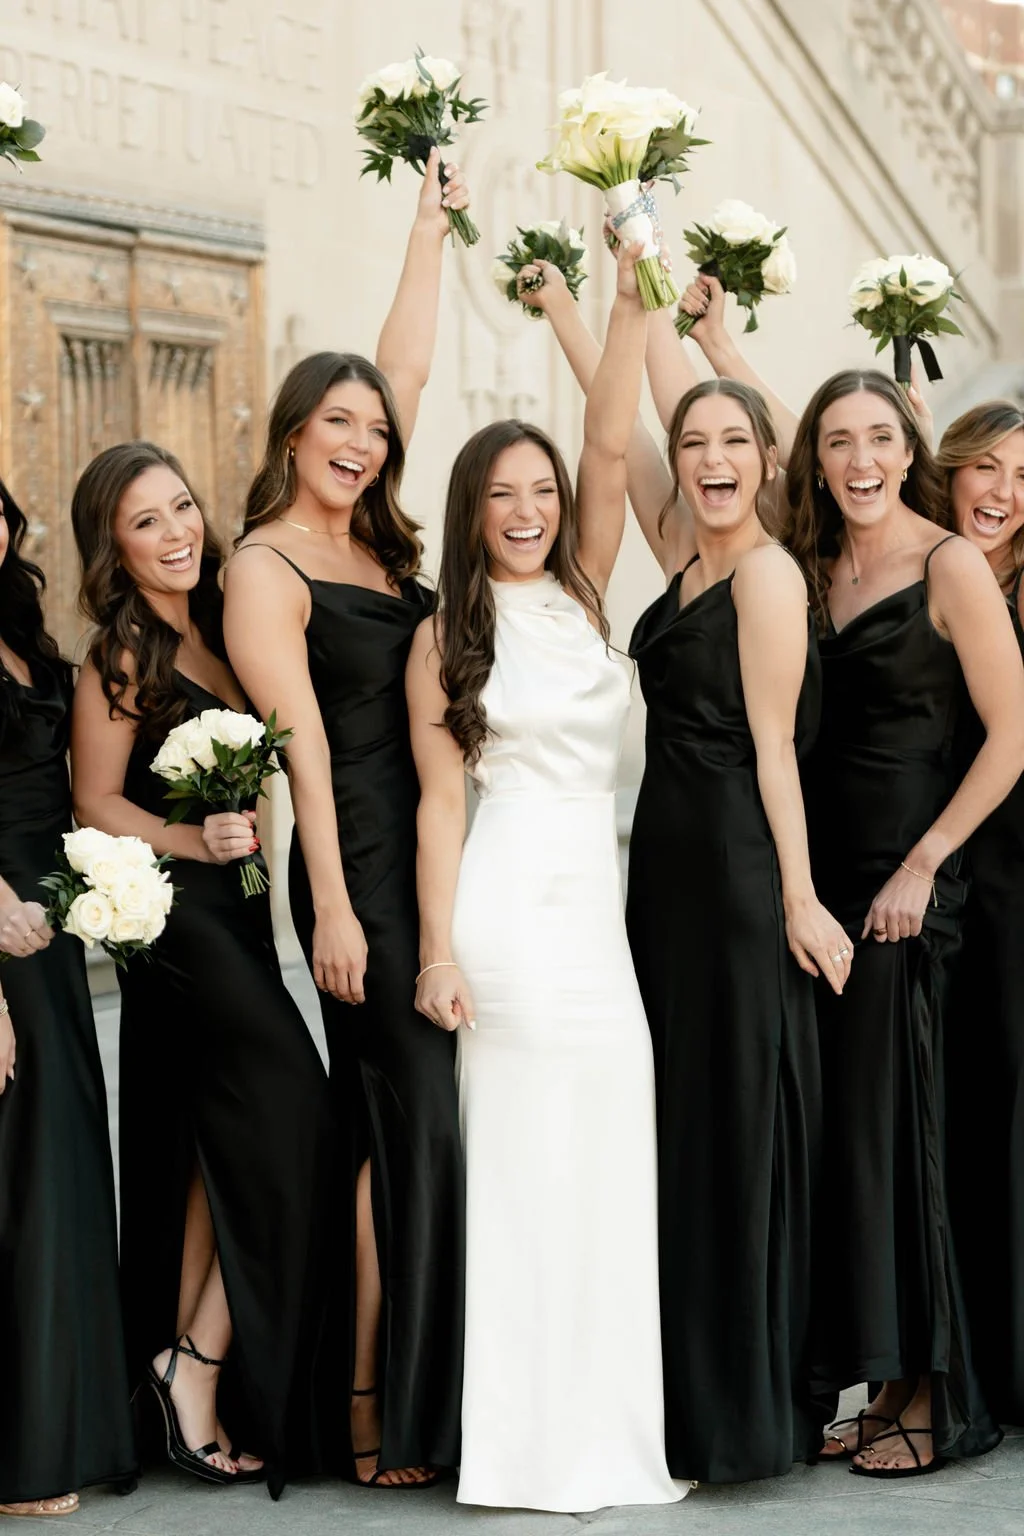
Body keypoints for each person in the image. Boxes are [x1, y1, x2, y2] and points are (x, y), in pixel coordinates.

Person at [523, 258, 842, 1483]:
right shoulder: (682, 545)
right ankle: (686, 1395)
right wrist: (582, 298)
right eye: (694, 440)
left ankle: (746, 1411)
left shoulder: (763, 573)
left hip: (736, 874)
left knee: (732, 1126)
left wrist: (799, 899)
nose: (708, 456)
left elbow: (774, 753)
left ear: (767, 462)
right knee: (682, 1125)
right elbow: (615, 431)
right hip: (661, 872)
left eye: (730, 441)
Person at [405, 241, 684, 1512]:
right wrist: (439, 951)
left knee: (609, 1156)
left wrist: (622, 305)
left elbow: (614, 439)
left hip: (597, 922)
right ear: (467, 508)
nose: (525, 509)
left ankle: (609, 1434)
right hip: (506, 916)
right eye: (499, 494)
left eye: (540, 490)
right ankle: (515, 1445)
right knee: (519, 1175)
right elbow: (443, 802)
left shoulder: (583, 588)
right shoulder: (442, 636)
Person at [223, 150, 471, 1488]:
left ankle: (418, 1388)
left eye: (373, 427)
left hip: (437, 851)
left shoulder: (381, 541)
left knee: (420, 1124)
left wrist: (427, 225)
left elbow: (410, 369)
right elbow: (301, 746)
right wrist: (327, 904)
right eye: (340, 422)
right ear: (291, 432)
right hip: (359, 864)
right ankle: (377, 1402)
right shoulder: (266, 564)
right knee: (406, 1120)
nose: (366, 438)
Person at [69, 443, 333, 1498]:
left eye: (182, 507)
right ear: (114, 545)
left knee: (210, 1148)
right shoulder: (119, 656)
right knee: (304, 1123)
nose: (176, 531)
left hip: (242, 920)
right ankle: (197, 1362)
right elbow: (95, 800)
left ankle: (184, 1359)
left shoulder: (224, 621)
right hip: (178, 932)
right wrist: (200, 841)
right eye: (146, 521)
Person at [789, 371, 1024, 1476]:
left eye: (880, 436)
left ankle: (935, 1391)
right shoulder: (815, 567)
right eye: (838, 440)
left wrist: (924, 865)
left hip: (910, 887)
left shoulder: (952, 564)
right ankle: (882, 1379)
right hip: (828, 886)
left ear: (908, 447)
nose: (860, 458)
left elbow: (1012, 739)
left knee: (907, 1138)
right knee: (856, 1140)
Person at [0, 476, 136, 1519]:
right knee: (20, 1175)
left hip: (50, 921)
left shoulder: (26, 638)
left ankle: (73, 1428)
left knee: (65, 1164)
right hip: (0, 929)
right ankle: (21, 1454)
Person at [936, 402, 1024, 1424]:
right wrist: (720, 350)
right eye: (987, 468)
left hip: (1007, 874)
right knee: (948, 1107)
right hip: (936, 872)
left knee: (1001, 1103)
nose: (1002, 493)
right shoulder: (921, 562)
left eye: (1022, 479)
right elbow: (824, 447)